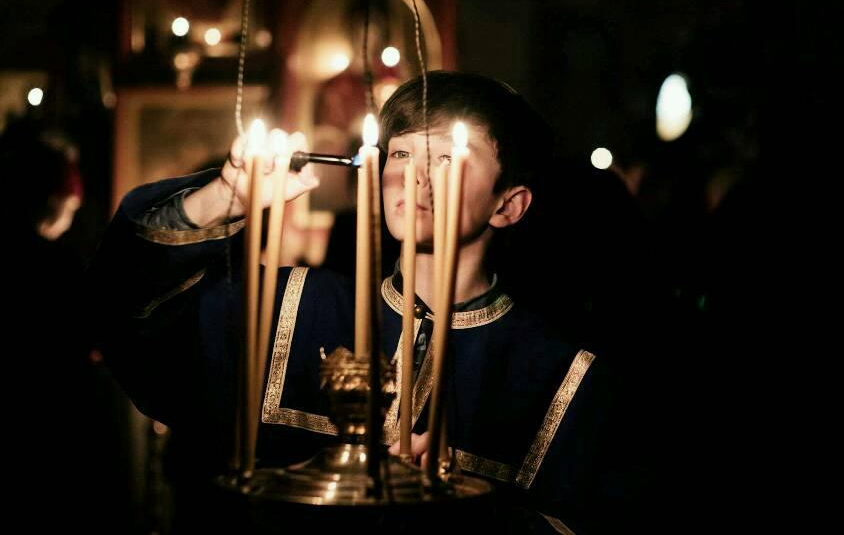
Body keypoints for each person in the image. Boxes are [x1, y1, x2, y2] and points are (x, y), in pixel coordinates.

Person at [90, 71, 629, 532]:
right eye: (399, 152)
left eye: (447, 155)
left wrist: (466, 515)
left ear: (508, 205)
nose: (413, 175)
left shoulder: (561, 376)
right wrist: (222, 200)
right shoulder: (293, 310)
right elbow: (125, 311)